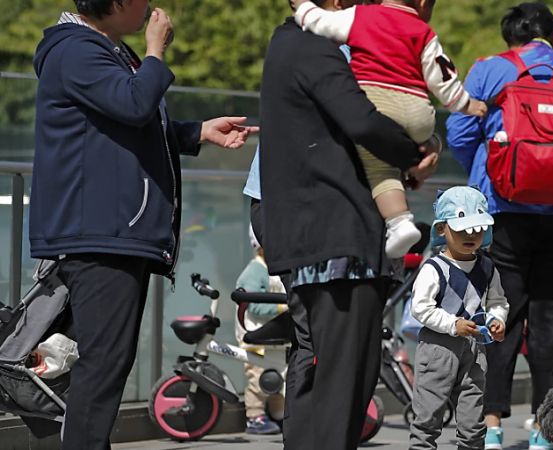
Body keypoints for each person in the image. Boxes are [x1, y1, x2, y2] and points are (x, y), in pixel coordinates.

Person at [30, 2, 256, 448]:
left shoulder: (104, 49)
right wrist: (155, 51)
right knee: (102, 366)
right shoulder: (77, 51)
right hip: (98, 234)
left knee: (105, 364)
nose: (151, 5)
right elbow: (134, 104)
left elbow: (126, 125)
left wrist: (196, 132)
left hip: (112, 233)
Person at [258, 0, 440, 446]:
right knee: (344, 386)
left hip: (315, 238)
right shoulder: (312, 47)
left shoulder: (288, 43)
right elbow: (361, 119)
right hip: (336, 237)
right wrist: (418, 155)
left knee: (320, 379)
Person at [446, 4, 553, 448]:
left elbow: (459, 132)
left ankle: (491, 428)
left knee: (498, 314)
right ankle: (546, 432)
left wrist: (488, 176)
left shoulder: (490, 71)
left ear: (510, 37)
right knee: (549, 322)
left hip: (502, 213)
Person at [294, 0, 488, 259]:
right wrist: (467, 104)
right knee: (408, 144)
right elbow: (443, 80)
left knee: (379, 169)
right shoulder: (424, 32)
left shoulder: (361, 16)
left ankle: (399, 222)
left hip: (377, 105)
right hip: (419, 111)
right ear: (421, 3)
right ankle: (414, 159)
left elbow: (320, 22)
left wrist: (303, 6)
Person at [408, 186, 509, 450]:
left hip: (475, 349)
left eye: (477, 229)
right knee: (428, 416)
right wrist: (453, 324)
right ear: (442, 229)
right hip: (438, 348)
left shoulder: (487, 267)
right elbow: (420, 308)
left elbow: (498, 301)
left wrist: (497, 319)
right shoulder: (433, 268)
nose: (471, 235)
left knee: (473, 420)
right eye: (462, 229)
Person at [235, 226, 288, 435]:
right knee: (259, 378)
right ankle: (254, 416)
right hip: (256, 337)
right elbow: (253, 304)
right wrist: (282, 307)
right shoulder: (255, 271)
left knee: (278, 378)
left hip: (274, 338)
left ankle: (280, 415)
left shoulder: (275, 268)